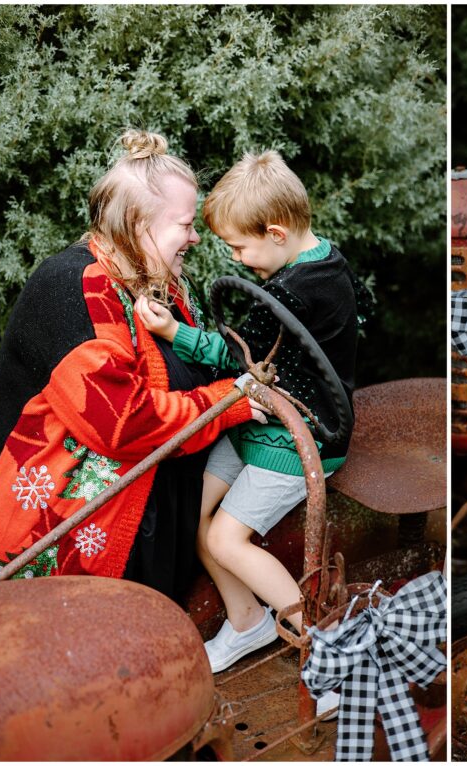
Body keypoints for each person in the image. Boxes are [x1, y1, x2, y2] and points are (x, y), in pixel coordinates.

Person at [0, 130, 265, 601]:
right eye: (185, 224)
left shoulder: (160, 280)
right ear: (140, 226)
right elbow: (122, 423)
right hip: (44, 535)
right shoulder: (69, 290)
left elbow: (204, 358)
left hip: (147, 505)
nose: (195, 237)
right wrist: (232, 401)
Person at [134, 150, 360, 674]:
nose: (236, 258)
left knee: (223, 538)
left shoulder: (294, 293)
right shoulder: (326, 260)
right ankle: (247, 623)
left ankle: (327, 649)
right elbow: (359, 312)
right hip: (258, 423)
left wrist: (173, 333)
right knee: (196, 514)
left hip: (303, 436)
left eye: (239, 246)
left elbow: (239, 359)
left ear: (276, 233)